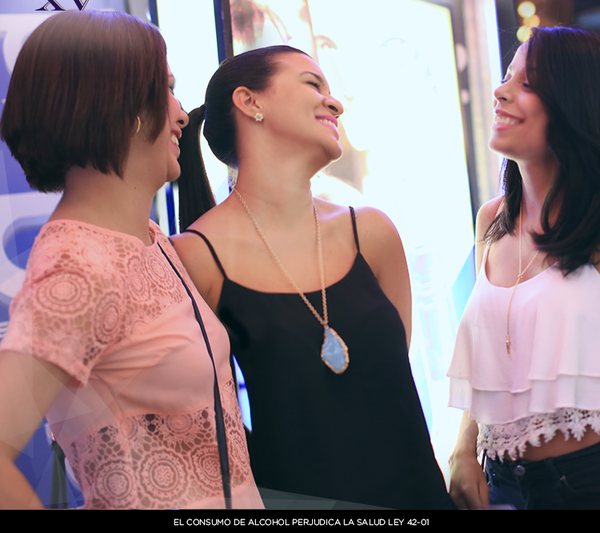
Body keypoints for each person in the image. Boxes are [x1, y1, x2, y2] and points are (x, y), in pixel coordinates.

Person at [0, 10, 263, 510]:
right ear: (122, 107)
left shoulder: (151, 240)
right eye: (167, 89)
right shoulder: (79, 264)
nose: (181, 115)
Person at [172, 45, 455, 509]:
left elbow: (388, 380)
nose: (335, 103)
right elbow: (198, 423)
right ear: (250, 102)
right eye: (312, 84)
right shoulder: (194, 256)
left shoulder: (373, 232)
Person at [447, 26, 600, 510]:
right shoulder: (491, 219)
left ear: (574, 101)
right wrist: (463, 449)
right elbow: (488, 360)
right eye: (506, 77)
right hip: (501, 481)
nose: (501, 91)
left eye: (527, 82)